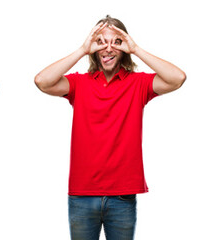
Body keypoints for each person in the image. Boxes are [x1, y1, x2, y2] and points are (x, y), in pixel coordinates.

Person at [33, 15, 186, 240]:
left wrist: (136, 48)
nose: (108, 48)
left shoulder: (138, 83)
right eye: (101, 41)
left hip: (122, 196)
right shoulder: (79, 83)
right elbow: (42, 81)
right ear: (94, 48)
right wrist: (82, 49)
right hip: (82, 195)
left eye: (116, 41)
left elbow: (177, 78)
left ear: (124, 47)